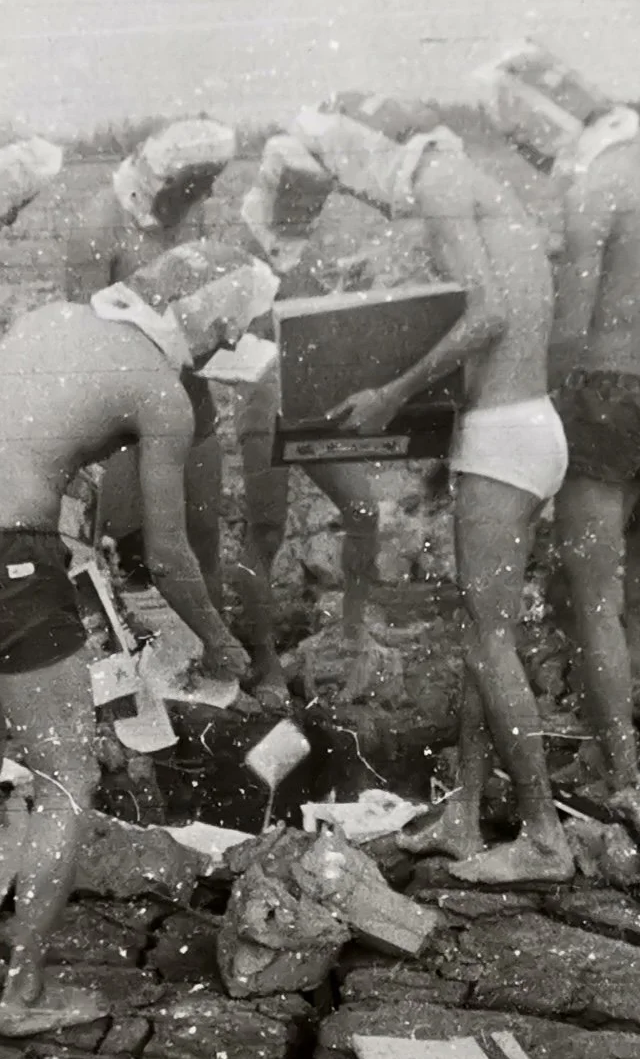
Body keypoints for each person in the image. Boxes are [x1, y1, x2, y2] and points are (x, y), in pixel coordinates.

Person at [0, 240, 271, 1032]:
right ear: (205, 323)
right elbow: (170, 554)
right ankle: (24, 993)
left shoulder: (54, 319)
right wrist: (219, 643)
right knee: (67, 774)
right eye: (224, 336)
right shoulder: (160, 388)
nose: (220, 353)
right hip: (4, 554)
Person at [289, 96, 574, 885]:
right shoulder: (471, 180)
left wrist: (389, 393)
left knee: (488, 641)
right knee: (483, 635)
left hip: (505, 436)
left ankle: (547, 838)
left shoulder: (443, 186)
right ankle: (464, 810)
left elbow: (484, 315)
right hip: (525, 424)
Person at [479, 42, 640, 797]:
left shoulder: (591, 187)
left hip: (600, 390)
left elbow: (572, 329)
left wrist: (519, 393)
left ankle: (618, 771)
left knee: (591, 598)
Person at [231, 133, 383, 705]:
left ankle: (351, 633)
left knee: (364, 508)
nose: (306, 212)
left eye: (314, 201)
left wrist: (349, 290)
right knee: (265, 531)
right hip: (263, 397)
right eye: (298, 199)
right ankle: (265, 659)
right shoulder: (244, 242)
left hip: (314, 395)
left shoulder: (313, 244)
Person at [65, 118, 237, 616]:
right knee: (125, 550)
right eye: (187, 189)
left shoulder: (193, 215)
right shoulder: (98, 225)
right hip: (124, 417)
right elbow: (81, 340)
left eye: (202, 190)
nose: (196, 201)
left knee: (203, 537)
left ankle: (214, 661)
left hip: (189, 397)